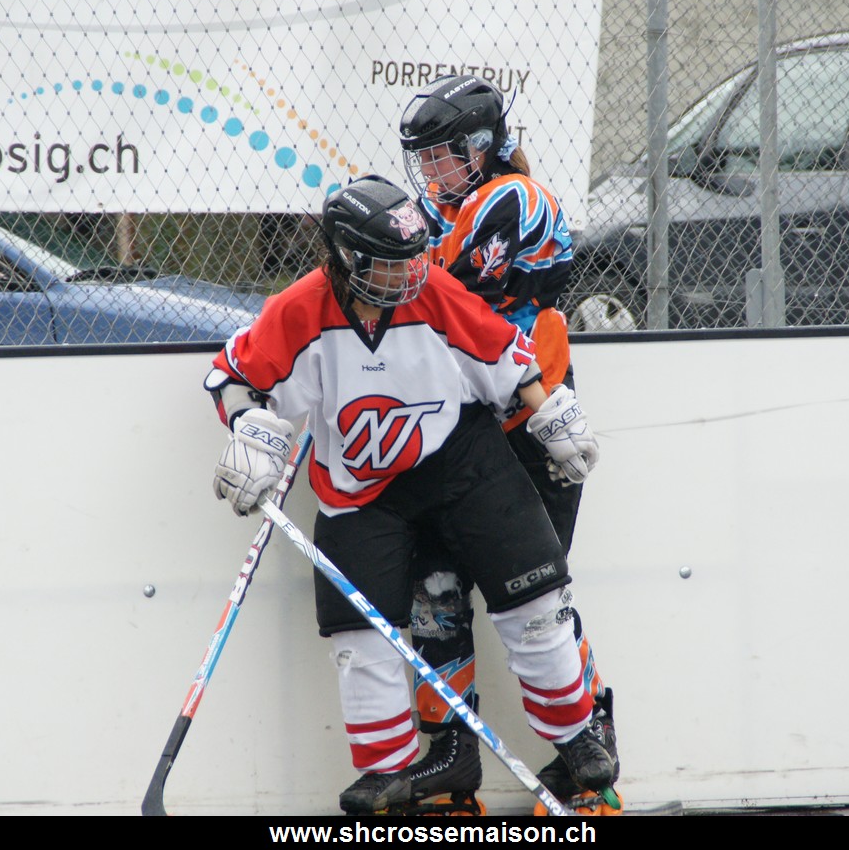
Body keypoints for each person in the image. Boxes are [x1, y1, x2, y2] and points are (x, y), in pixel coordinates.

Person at [204, 175, 616, 816]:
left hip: (461, 461)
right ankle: (386, 770)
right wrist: (248, 427)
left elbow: (505, 356)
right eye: (391, 264)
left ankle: (577, 735)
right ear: (346, 258)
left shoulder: (434, 290)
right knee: (361, 640)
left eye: (414, 258)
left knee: (536, 603)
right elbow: (233, 375)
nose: (410, 274)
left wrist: (550, 413)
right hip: (360, 491)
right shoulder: (300, 308)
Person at [395, 75, 619, 814]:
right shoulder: (435, 210)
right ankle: (451, 758)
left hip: (531, 424)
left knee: (536, 599)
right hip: (456, 427)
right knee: (434, 591)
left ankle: (589, 761)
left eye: (442, 154)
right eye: (423, 158)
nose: (431, 170)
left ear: (480, 145)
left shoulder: (513, 199)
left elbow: (445, 299)